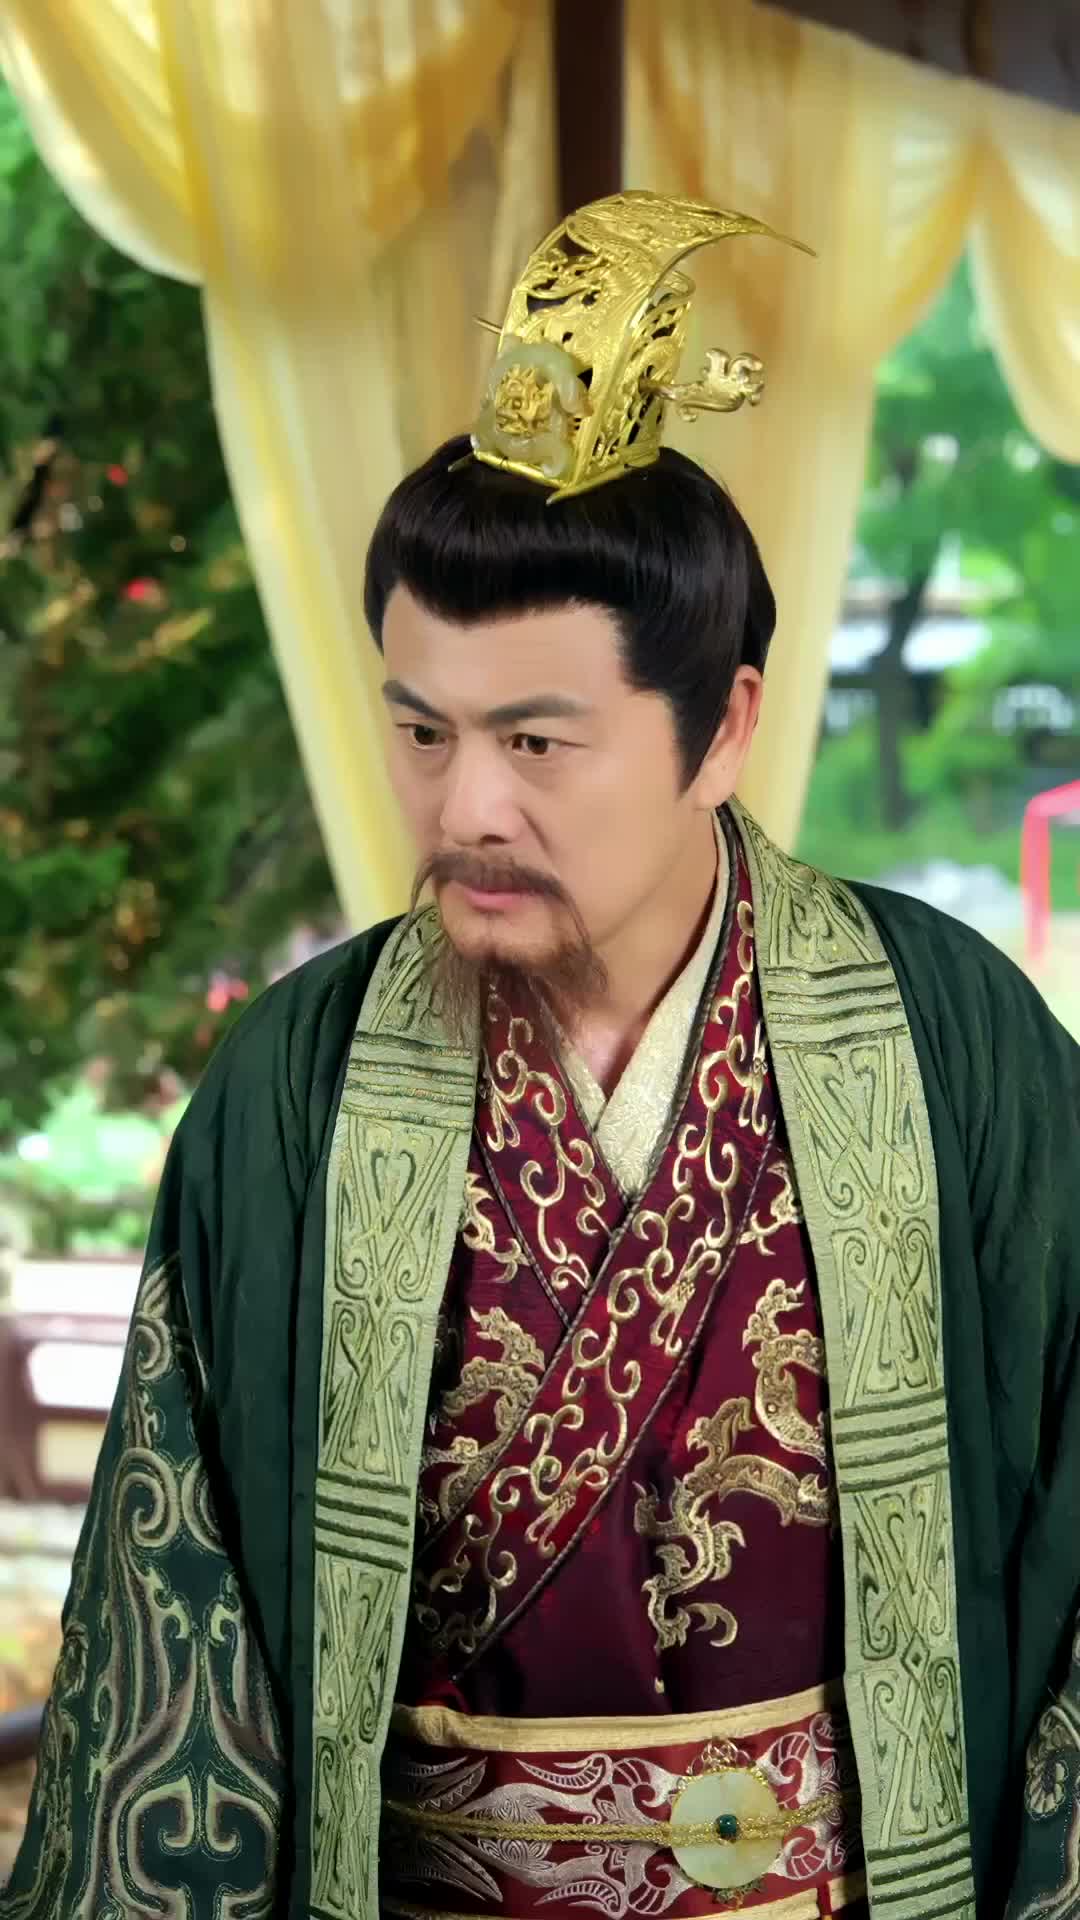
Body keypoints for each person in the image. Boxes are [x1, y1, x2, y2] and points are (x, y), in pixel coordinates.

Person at [3, 191, 1078, 1920]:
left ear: (722, 726)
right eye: (421, 731)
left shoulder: (955, 1044)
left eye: (536, 741)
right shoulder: (295, 1089)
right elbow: (172, 1635)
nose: (465, 808)